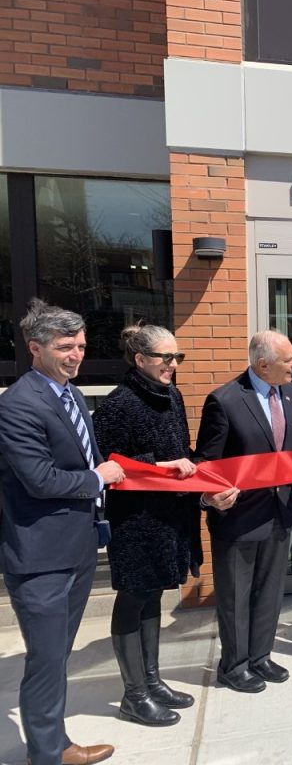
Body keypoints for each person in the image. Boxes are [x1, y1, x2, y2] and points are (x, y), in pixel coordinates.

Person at [0, 299, 124, 765]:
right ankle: (48, 754)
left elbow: (87, 459)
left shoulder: (69, 394)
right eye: (65, 347)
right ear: (35, 348)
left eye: (82, 346)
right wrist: (99, 479)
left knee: (56, 659)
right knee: (46, 661)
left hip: (75, 549)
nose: (76, 355)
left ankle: (53, 743)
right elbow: (41, 479)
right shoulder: (18, 405)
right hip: (39, 559)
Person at [194, 330, 292, 692]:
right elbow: (207, 461)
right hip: (238, 517)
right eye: (289, 359)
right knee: (236, 597)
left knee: (270, 590)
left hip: (281, 510)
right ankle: (233, 666)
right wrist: (210, 496)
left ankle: (260, 656)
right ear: (263, 364)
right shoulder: (225, 400)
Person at [93, 325, 200, 727]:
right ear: (140, 359)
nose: (173, 365)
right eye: (165, 358)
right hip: (135, 520)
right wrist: (160, 466)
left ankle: (152, 681)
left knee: (154, 594)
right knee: (133, 597)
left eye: (177, 358)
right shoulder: (118, 404)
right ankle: (133, 694)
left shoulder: (172, 395)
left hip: (167, 516)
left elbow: (182, 451)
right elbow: (110, 464)